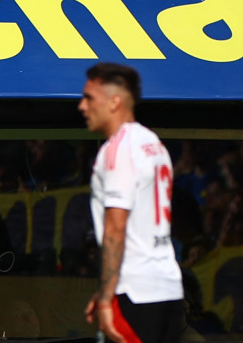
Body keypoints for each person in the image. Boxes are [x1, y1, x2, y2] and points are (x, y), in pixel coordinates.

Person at [78, 63, 186, 343]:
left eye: (89, 98)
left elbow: (116, 228)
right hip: (167, 288)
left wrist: (106, 299)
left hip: (136, 291)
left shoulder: (119, 150)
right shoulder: (153, 144)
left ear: (115, 101)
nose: (82, 106)